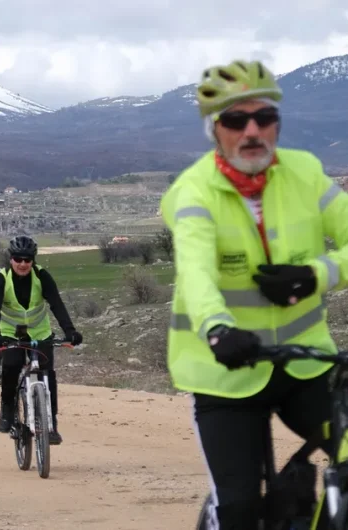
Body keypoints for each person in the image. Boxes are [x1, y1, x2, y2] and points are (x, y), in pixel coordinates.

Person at [161, 59, 348, 529]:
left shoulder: (304, 173)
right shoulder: (194, 193)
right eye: (234, 120)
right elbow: (197, 274)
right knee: (241, 507)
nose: (251, 131)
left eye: (264, 118)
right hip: (224, 373)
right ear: (214, 130)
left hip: (307, 366)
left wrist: (316, 274)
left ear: (277, 125)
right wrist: (218, 328)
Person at [0, 236, 83, 445]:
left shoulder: (42, 276)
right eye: (18, 259)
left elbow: (56, 303)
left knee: (48, 375)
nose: (23, 264)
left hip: (39, 333)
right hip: (11, 333)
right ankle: (7, 409)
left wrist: (70, 330)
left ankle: (51, 425)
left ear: (33, 260)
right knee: (11, 366)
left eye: (27, 260)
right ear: (11, 260)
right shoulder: (2, 279)